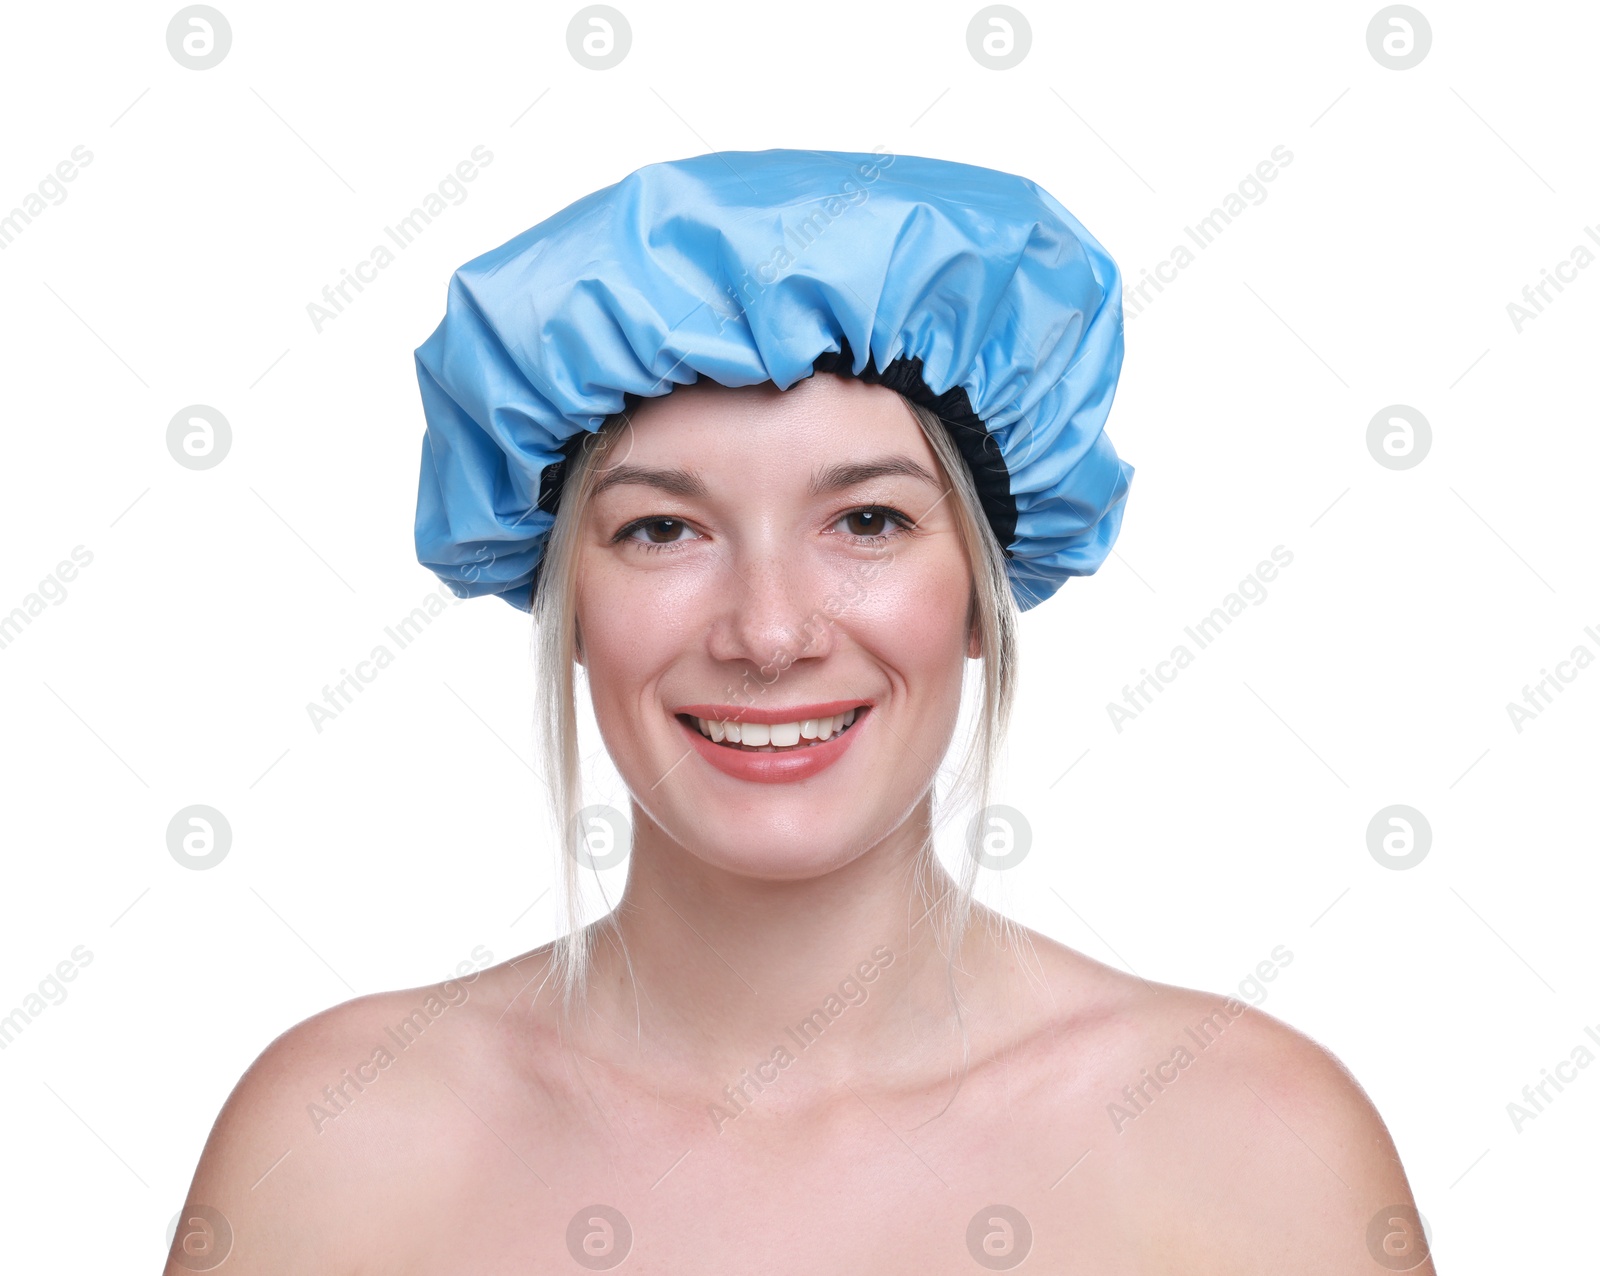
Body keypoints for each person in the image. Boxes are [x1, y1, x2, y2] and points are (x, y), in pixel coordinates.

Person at [167, 149, 1433, 1274]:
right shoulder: (336, 1147)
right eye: (662, 527)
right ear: (569, 606)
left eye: (867, 520)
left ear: (983, 596)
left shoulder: (1252, 1146)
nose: (769, 632)